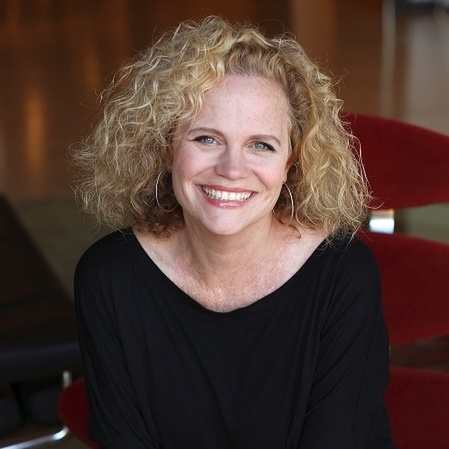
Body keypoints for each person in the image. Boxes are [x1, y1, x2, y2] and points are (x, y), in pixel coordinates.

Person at [73, 16, 395, 449]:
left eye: (261, 145)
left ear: (290, 162)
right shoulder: (110, 278)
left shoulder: (343, 275)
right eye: (206, 138)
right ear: (166, 147)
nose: (231, 169)